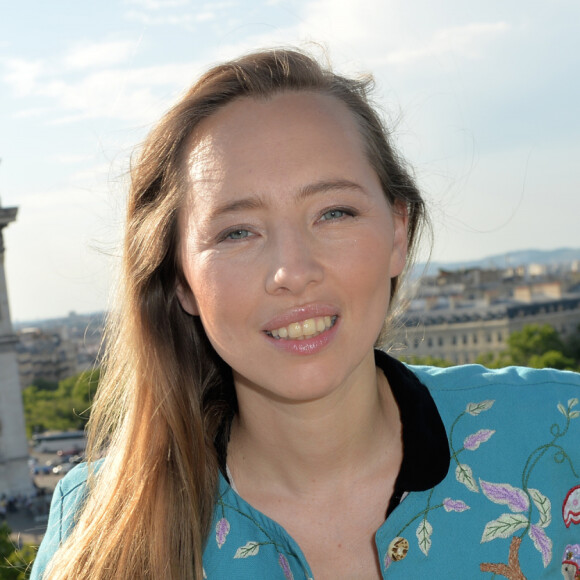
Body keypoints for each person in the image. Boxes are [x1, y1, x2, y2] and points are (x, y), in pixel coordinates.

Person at [31, 48, 580, 580]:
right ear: (181, 281)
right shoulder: (93, 525)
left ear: (397, 233)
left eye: (333, 213)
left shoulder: (567, 432)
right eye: (237, 232)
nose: (292, 270)